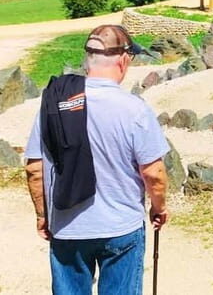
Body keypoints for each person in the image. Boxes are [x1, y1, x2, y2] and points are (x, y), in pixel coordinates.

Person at [25, 24, 170, 295]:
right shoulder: (134, 109)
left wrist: (42, 215)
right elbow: (153, 173)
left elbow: (34, 168)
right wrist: (158, 207)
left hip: (67, 227)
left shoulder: (53, 103)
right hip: (120, 226)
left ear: (87, 59)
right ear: (124, 59)